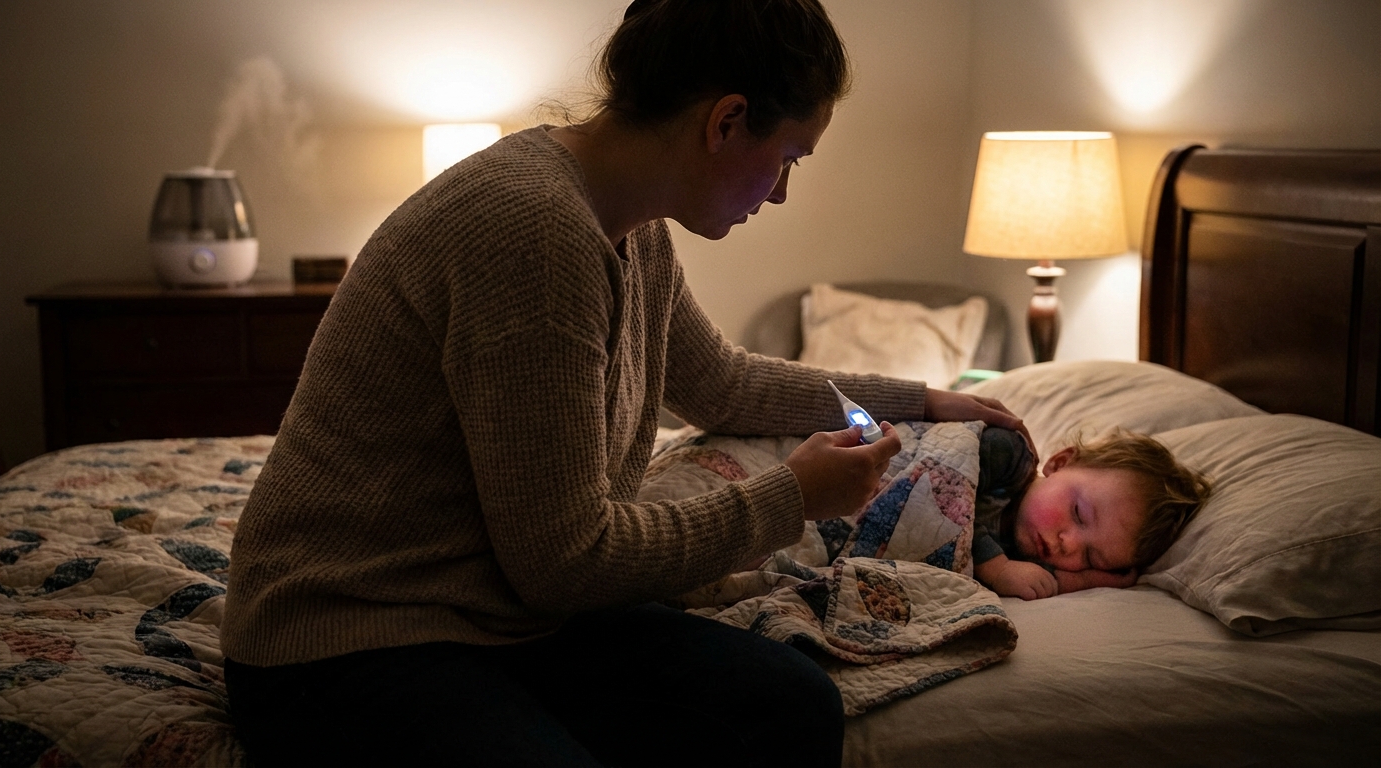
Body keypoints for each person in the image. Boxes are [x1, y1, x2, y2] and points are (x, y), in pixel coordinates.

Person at [219, 1, 1030, 766]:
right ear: (725, 121)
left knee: (790, 704)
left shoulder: (627, 228)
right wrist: (790, 496)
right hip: (351, 638)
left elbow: (721, 385)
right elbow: (566, 561)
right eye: (786, 158)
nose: (782, 191)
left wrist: (918, 400)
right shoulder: (533, 231)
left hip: (496, 617)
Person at [972, 428, 1213, 601]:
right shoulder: (1005, 453)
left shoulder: (1025, 554)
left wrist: (1087, 580)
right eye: (1079, 514)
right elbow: (941, 495)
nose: (1070, 544)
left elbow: (1039, 581)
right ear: (1059, 463)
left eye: (1090, 557)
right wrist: (996, 568)